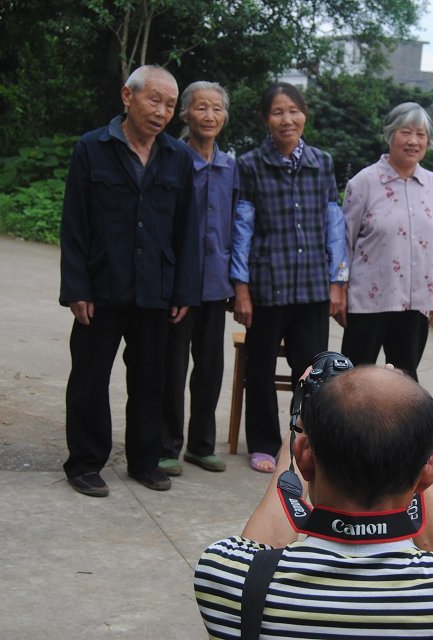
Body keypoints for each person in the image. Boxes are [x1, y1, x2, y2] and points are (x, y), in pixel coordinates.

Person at [194, 362, 433, 639]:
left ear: (305, 458)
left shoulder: (225, 574)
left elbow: (262, 553)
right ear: (428, 474)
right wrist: (398, 422)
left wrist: (298, 430)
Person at [59, 65, 200, 497]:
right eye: (154, 99)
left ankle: (144, 461)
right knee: (89, 378)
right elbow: (74, 224)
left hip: (156, 289)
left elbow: (187, 229)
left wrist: (184, 291)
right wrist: (76, 288)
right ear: (128, 96)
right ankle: (84, 462)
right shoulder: (92, 148)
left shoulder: (178, 157)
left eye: (170, 104)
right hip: (102, 287)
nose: (161, 111)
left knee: (150, 381)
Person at [231, 82, 348, 473]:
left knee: (314, 371)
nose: (287, 119)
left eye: (294, 111)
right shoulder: (250, 164)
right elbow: (242, 227)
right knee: (260, 368)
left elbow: (334, 224)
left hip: (313, 285)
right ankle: (264, 443)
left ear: (305, 115)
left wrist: (337, 281)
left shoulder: (321, 162)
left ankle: (310, 441)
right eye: (278, 112)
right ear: (267, 119)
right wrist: (241, 287)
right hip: (267, 284)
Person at [337, 102, 433, 381]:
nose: (414, 141)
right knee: (354, 381)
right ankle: (351, 427)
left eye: (421, 134)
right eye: (406, 132)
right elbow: (344, 242)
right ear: (390, 135)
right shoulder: (363, 183)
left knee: (405, 381)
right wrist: (338, 290)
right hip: (368, 301)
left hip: (416, 301)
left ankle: (399, 428)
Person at [158, 81, 239, 477]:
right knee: (171, 367)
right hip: (178, 287)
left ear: (224, 117)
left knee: (210, 368)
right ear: (185, 114)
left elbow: (238, 226)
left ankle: (201, 445)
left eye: (217, 109)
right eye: (201, 108)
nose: (209, 116)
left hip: (216, 285)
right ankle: (167, 445)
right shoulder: (170, 159)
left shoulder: (230, 168)